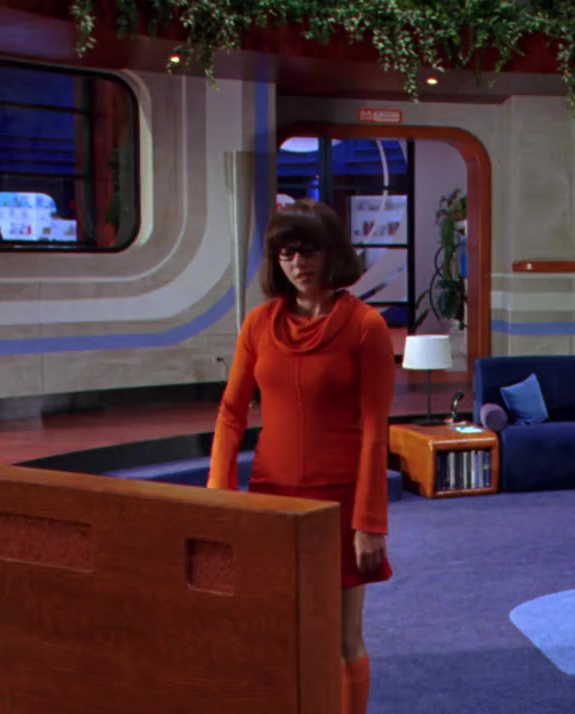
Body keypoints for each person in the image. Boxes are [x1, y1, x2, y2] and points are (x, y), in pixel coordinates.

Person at [207, 198, 395, 714]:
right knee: (275, 629)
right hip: (271, 500)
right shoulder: (258, 323)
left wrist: (369, 521)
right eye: (286, 253)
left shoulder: (365, 326)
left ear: (332, 253)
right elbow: (231, 413)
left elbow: (376, 429)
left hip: (339, 503)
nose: (297, 263)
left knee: (343, 638)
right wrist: (219, 497)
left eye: (308, 251)